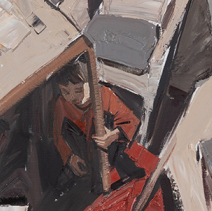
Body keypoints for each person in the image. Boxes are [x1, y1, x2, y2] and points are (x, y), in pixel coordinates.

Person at [52, 58, 145, 192]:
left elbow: (130, 121)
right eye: (65, 92)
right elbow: (58, 137)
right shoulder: (61, 105)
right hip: (83, 160)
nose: (72, 97)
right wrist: (70, 157)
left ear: (90, 84)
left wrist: (112, 136)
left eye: (78, 90)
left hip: (107, 157)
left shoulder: (104, 95)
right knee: (61, 189)